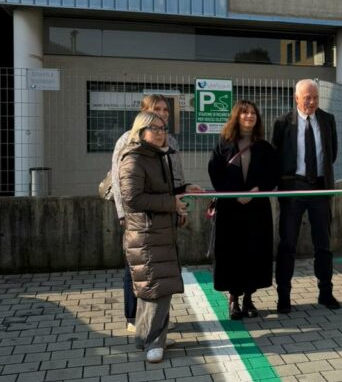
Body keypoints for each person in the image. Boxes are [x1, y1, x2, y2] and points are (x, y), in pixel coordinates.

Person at [111, 94, 200, 332]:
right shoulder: (127, 140)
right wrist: (122, 214)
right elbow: (121, 186)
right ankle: (134, 318)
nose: (162, 113)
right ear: (144, 112)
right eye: (156, 109)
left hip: (165, 212)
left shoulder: (170, 141)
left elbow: (175, 175)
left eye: (165, 110)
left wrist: (182, 199)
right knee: (137, 267)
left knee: (160, 269)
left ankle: (156, 322)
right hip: (138, 218)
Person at [118, 112, 188, 364]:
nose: (160, 133)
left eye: (163, 128)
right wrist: (171, 203)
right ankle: (154, 342)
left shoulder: (157, 156)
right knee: (156, 289)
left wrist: (182, 192)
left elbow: (160, 190)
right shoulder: (134, 158)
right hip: (146, 233)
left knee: (153, 287)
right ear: (140, 131)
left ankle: (145, 337)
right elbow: (132, 199)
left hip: (158, 231)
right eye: (154, 129)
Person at [272, 80, 339, 313]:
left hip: (320, 188)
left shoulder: (327, 120)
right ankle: (283, 296)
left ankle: (326, 292)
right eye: (307, 97)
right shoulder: (283, 123)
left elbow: (332, 153)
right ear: (297, 98)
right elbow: (276, 155)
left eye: (315, 98)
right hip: (293, 188)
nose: (312, 102)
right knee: (287, 244)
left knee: (324, 244)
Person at [208, 100, 279, 320]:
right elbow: (215, 172)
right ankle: (234, 299)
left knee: (254, 252)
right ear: (236, 117)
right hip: (231, 208)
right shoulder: (224, 144)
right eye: (245, 113)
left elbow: (273, 174)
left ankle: (249, 298)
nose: (250, 117)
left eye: (253, 114)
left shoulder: (264, 146)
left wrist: (258, 189)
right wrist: (234, 193)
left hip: (257, 209)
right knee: (232, 253)